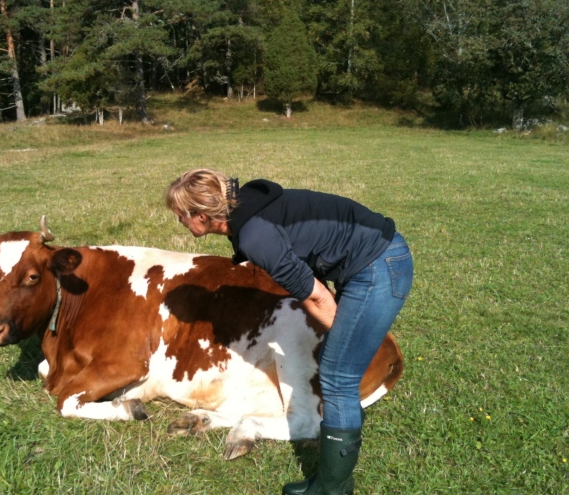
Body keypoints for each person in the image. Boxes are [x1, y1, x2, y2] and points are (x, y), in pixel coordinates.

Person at [165, 169, 413, 495]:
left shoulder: (255, 236)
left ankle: (333, 489)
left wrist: (344, 349)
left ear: (200, 216)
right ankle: (333, 475)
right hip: (373, 260)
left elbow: (316, 296)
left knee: (338, 375)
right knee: (338, 364)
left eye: (180, 216)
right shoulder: (248, 214)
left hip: (379, 265)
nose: (179, 222)